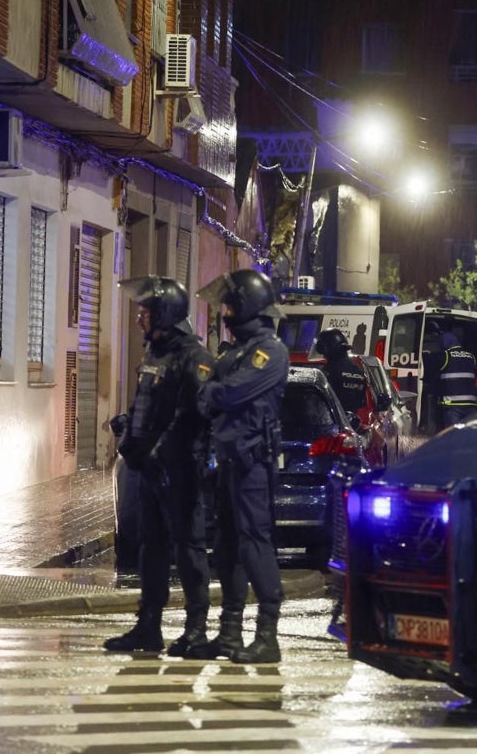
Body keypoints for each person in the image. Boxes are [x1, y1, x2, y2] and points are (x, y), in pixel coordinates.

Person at [105, 276, 214, 657]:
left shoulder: (194, 357)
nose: (139, 320)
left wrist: (164, 451)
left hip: (181, 471)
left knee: (188, 550)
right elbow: (143, 407)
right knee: (150, 550)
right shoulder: (153, 353)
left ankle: (195, 630)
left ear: (165, 314)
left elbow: (195, 414)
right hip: (150, 472)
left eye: (145, 312)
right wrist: (130, 440)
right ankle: (148, 626)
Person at [192, 268, 290, 664]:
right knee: (227, 547)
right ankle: (229, 633)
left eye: (230, 304)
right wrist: (212, 391)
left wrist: (213, 391)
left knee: (254, 544)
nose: (225, 312)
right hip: (228, 462)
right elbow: (206, 394)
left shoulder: (271, 352)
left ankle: (268, 636)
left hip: (253, 464)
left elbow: (228, 393)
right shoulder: (234, 352)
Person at [422, 329, 477, 429]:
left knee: (452, 435)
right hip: (471, 404)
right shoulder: (471, 357)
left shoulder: (445, 356)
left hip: (452, 405)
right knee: (469, 435)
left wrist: (426, 354)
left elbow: (430, 366)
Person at [315, 327, 367, 415]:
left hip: (331, 421)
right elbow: (362, 401)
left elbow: (318, 403)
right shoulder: (359, 372)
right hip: (352, 422)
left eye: (323, 352)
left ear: (328, 349)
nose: (324, 356)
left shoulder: (329, 373)